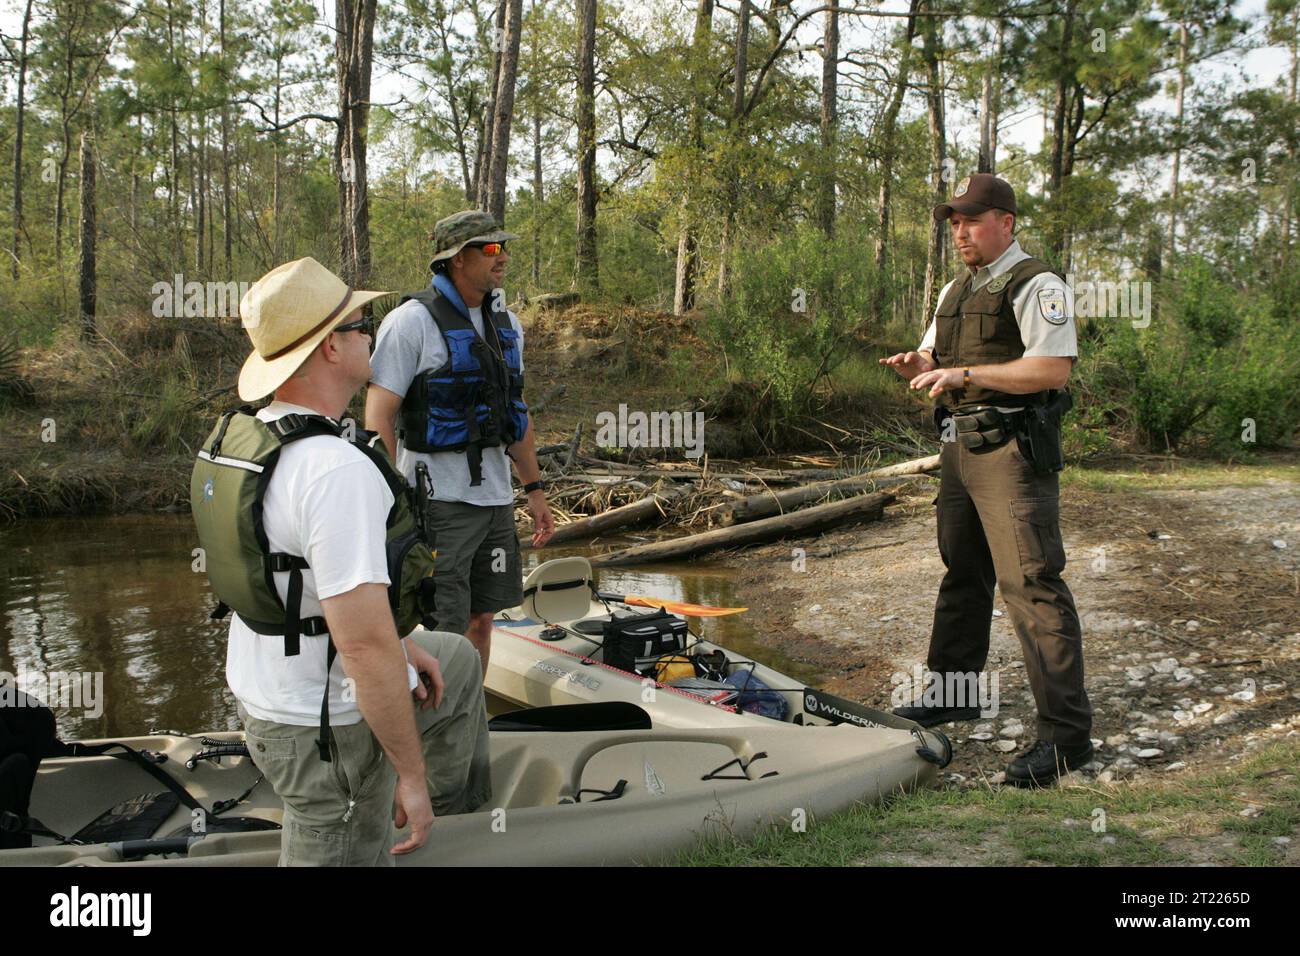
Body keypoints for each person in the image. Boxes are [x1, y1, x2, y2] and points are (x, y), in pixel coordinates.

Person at [192, 257, 491, 866]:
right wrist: (410, 774)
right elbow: (362, 650)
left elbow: (305, 586)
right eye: (363, 324)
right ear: (331, 347)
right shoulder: (337, 471)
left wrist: (405, 642)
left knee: (455, 659)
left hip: (266, 695)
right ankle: (398, 815)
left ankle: (456, 834)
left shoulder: (256, 437)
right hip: (324, 730)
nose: (372, 334)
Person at [880, 173, 1093, 787]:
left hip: (1012, 454)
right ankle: (955, 694)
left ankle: (1066, 738)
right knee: (962, 573)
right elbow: (943, 364)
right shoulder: (955, 288)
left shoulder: (1037, 283)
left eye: (971, 220)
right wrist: (923, 366)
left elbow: (1052, 370)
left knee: (1030, 583)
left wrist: (964, 374)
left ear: (1006, 221)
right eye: (953, 222)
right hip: (958, 447)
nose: (960, 232)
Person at [366, 210, 555, 675]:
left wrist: (534, 490)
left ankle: (469, 723)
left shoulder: (507, 324)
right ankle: (434, 733)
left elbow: (516, 412)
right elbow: (378, 416)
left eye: (503, 247)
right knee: (440, 625)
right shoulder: (409, 323)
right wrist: (391, 501)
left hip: (494, 499)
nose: (503, 256)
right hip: (438, 504)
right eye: (490, 249)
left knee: (482, 619)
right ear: (455, 259)